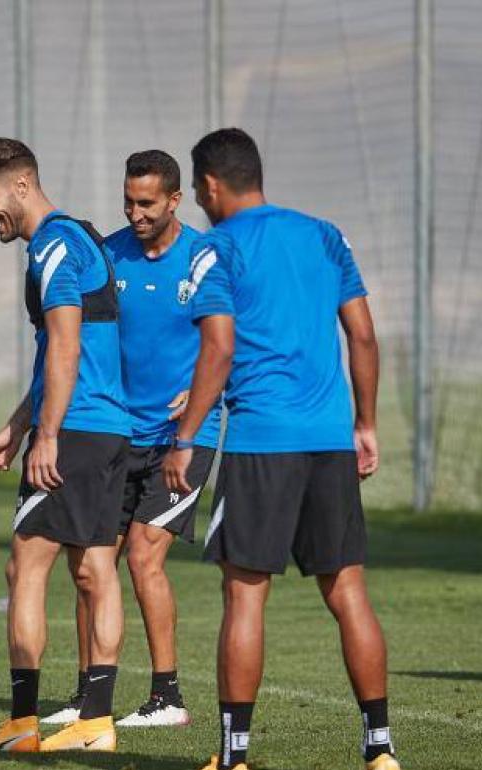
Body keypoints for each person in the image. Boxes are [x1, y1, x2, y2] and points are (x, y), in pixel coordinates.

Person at [162, 128, 400, 770]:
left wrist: (185, 437)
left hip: (262, 443)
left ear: (209, 186)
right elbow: (365, 337)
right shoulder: (325, 235)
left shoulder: (217, 248)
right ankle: (379, 748)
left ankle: (234, 756)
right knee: (347, 589)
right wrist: (367, 425)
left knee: (245, 595)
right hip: (329, 439)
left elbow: (219, 347)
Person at [0, 137, 130, 754]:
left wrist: (48, 435)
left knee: (26, 566)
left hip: (77, 430)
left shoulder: (54, 245)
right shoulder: (80, 237)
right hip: (108, 426)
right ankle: (95, 722)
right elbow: (59, 353)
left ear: (22, 185)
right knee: (94, 568)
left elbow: (65, 344)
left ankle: (26, 722)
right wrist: (17, 424)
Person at [44, 150, 219, 729]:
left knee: (144, 558)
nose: (135, 212)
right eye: (128, 201)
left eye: (147, 202)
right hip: (118, 433)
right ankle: (88, 694)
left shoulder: (204, 259)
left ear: (175, 200)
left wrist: (202, 393)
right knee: (93, 563)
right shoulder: (106, 256)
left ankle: (167, 696)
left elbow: (235, 341)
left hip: (183, 438)